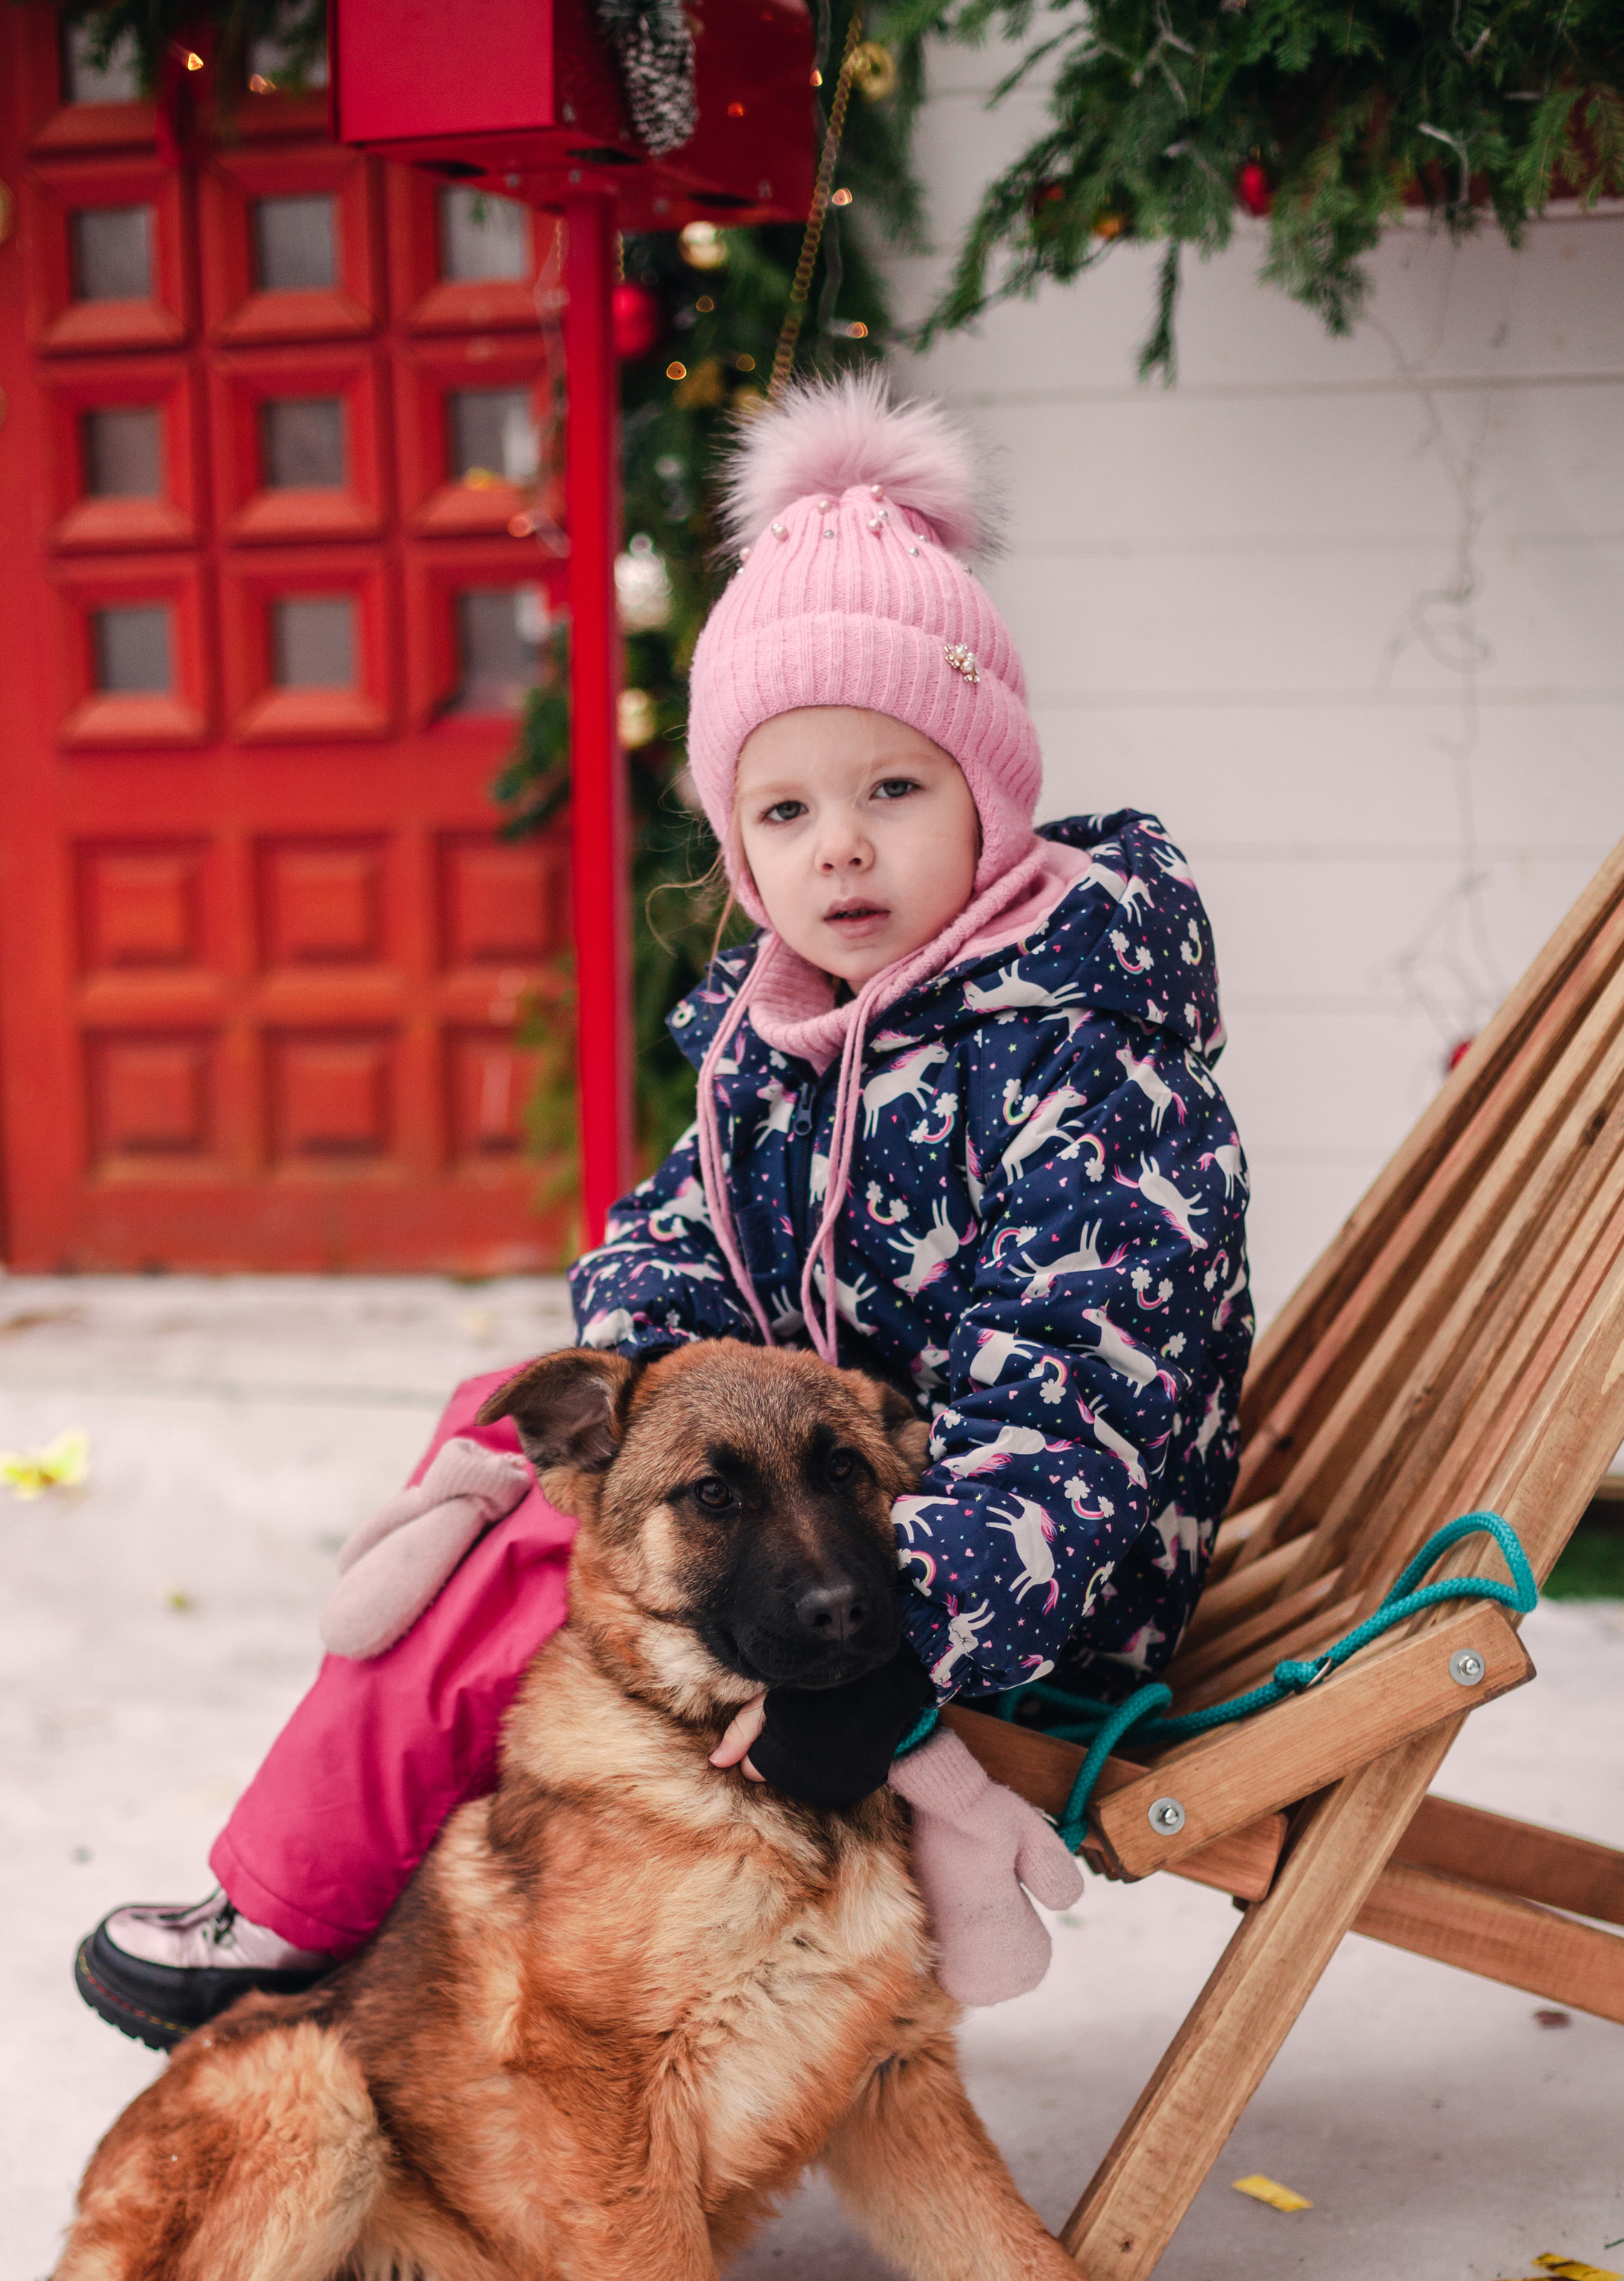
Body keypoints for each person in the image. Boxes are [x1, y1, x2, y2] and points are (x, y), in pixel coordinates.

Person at [74, 372, 1250, 2053]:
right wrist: (614, 1369)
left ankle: (298, 1904)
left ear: (989, 794)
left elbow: (1075, 1411)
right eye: (785, 811)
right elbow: (676, 1229)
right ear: (738, 843)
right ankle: (374, 1878)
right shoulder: (788, 1031)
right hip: (813, 1513)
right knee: (526, 1448)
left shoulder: (1081, 1062)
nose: (839, 850)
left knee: (538, 1566)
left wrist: (901, 1614)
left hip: (1003, 1579)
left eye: (892, 792)